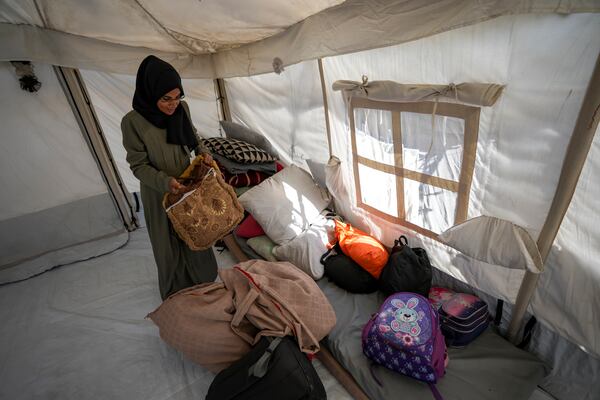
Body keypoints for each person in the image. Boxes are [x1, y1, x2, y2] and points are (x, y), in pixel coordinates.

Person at [121, 55, 218, 300]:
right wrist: (166, 183)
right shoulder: (132, 122)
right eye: (166, 99)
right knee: (168, 244)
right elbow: (138, 165)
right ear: (150, 93)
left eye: (177, 97)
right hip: (158, 193)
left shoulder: (182, 109)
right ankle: (177, 292)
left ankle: (203, 281)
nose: (173, 104)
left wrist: (204, 154)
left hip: (187, 185)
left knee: (195, 232)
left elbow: (194, 138)